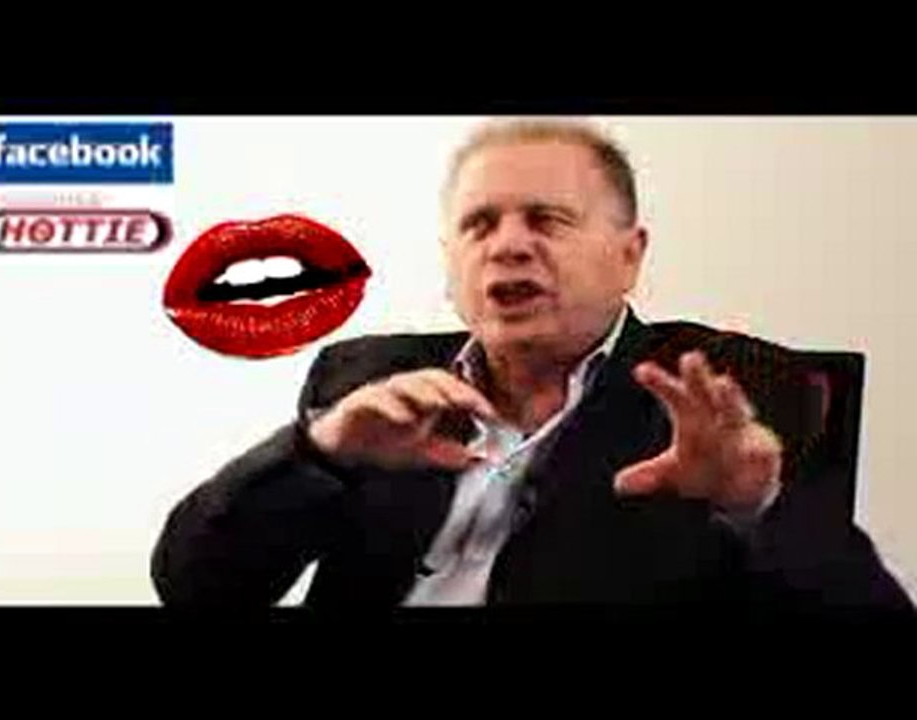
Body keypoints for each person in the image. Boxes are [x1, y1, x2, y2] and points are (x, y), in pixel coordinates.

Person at [151, 119, 913, 610]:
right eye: (479, 225)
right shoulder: (364, 377)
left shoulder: (733, 390)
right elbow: (198, 585)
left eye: (547, 220)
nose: (508, 245)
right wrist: (317, 455)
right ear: (450, 262)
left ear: (629, 255)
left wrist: (754, 506)